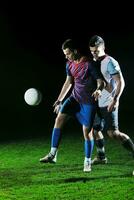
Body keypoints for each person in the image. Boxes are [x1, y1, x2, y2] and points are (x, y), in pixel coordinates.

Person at [39, 38, 105, 172]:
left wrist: (98, 90)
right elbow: (68, 82)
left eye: (68, 53)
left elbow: (101, 81)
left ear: (75, 51)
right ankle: (53, 154)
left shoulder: (89, 64)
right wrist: (59, 100)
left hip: (88, 103)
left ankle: (87, 162)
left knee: (87, 133)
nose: (66, 56)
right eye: (65, 54)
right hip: (74, 99)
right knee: (59, 119)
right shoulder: (69, 64)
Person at [88, 35, 134, 164]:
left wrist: (115, 99)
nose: (94, 54)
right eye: (92, 52)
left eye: (96, 51)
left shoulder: (110, 62)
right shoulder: (94, 62)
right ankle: (101, 157)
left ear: (103, 48)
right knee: (95, 130)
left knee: (113, 133)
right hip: (98, 103)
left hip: (109, 102)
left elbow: (121, 82)